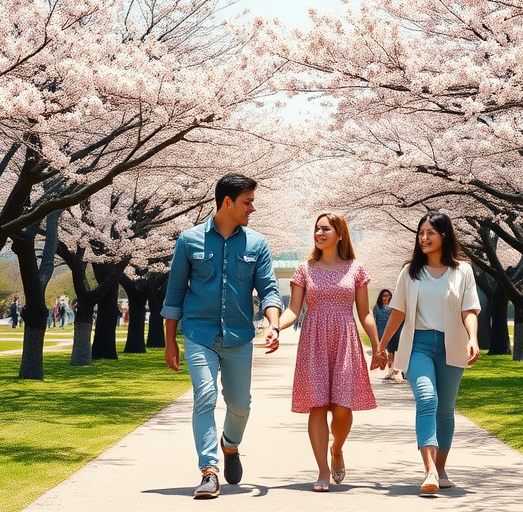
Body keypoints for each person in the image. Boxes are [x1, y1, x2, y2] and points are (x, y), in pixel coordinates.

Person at [162, 173, 282, 499]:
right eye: (248, 202)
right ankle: (209, 471)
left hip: (240, 337)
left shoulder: (257, 244)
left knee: (241, 405)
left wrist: (273, 325)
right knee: (204, 396)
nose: (252, 208)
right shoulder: (189, 240)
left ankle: (230, 445)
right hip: (199, 334)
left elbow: (270, 292)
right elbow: (174, 297)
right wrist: (170, 341)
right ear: (228, 202)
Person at [371, 211, 481, 497]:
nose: (424, 238)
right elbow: (398, 312)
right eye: (421, 233)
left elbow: (469, 309)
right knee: (427, 398)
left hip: (452, 344)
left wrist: (473, 338)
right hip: (418, 344)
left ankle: (441, 468)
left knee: (445, 409)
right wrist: (381, 347)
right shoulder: (410, 272)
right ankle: (429, 469)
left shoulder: (463, 271)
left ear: (444, 235)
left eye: (430, 232)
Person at [277, 213, 380, 492]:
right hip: (314, 342)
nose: (319, 234)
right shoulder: (304, 269)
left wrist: (377, 344)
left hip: (346, 341)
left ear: (340, 234)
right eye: (317, 229)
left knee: (343, 408)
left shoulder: (356, 268)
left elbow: (365, 312)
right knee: (318, 405)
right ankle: (322, 470)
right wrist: (275, 326)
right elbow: (293, 310)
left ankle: (337, 448)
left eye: (326, 229)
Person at [373, 289, 404, 381]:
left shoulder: (394, 307)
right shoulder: (378, 307)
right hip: (383, 332)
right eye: (384, 295)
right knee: (389, 352)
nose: (386, 297)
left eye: (388, 295)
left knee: (397, 351)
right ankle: (390, 371)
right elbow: (374, 319)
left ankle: (397, 370)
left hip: (396, 331)